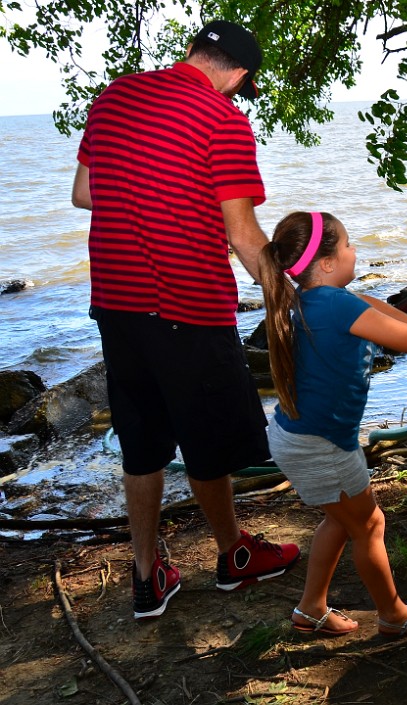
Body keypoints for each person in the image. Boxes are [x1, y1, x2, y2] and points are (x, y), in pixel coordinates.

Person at [71, 20, 300, 621]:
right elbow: (245, 236)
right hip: (187, 306)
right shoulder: (222, 118)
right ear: (239, 74)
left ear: (196, 50)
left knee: (142, 445)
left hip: (116, 305)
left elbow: (86, 193)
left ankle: (147, 578)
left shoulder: (113, 97)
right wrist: (289, 299)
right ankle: (233, 556)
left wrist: (148, 193)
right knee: (209, 440)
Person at [259, 211, 407, 638]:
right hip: (322, 445)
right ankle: (394, 615)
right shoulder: (334, 304)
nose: (354, 251)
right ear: (326, 263)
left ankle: (310, 609)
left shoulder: (311, 299)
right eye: (347, 245)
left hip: (299, 436)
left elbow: (381, 311)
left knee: (342, 521)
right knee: (369, 525)